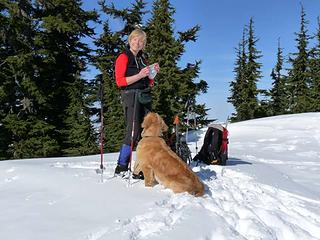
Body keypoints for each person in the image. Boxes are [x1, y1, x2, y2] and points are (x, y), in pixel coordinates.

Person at [114, 29, 160, 175]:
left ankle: (140, 168)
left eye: (140, 41)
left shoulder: (142, 59)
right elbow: (120, 82)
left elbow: (149, 82)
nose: (137, 42)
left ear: (143, 44)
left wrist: (152, 74)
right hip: (130, 96)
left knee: (146, 131)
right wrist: (140, 75)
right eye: (135, 39)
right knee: (132, 133)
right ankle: (121, 167)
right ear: (130, 40)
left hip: (144, 96)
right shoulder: (123, 57)